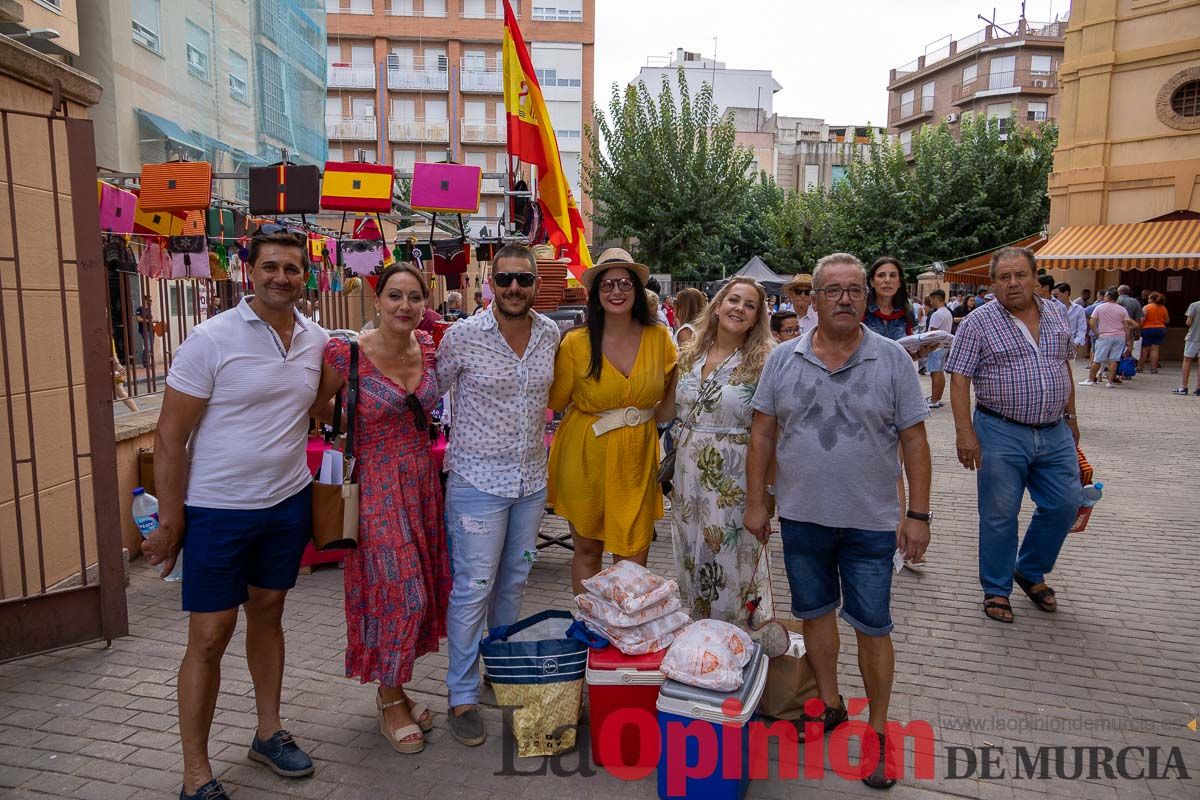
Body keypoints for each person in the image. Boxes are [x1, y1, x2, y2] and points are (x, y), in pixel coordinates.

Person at [144, 230, 327, 800]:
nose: (280, 277)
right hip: (217, 509)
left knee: (269, 613)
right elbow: (169, 437)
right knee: (209, 635)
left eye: (291, 268)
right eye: (270, 266)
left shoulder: (317, 340)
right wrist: (171, 520)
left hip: (287, 502)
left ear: (305, 276)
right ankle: (195, 773)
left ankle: (268, 733)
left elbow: (322, 407)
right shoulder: (210, 339)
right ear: (251, 271)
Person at [744, 253, 931, 791]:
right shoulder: (784, 359)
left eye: (854, 290)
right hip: (803, 518)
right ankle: (829, 702)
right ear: (815, 298)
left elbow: (915, 441)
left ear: (867, 298)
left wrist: (918, 515)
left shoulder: (892, 360)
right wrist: (757, 502)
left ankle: (878, 732)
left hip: (871, 522)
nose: (844, 299)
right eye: (833, 290)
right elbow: (762, 433)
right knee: (816, 614)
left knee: (873, 626)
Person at [310, 263, 451, 755]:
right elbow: (318, 406)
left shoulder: (427, 349)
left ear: (424, 303)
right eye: (395, 295)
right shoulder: (347, 353)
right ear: (377, 300)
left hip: (421, 482)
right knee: (401, 592)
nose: (404, 305)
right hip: (374, 483)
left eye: (414, 296)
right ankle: (390, 700)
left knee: (422, 590)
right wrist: (358, 426)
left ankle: (396, 687)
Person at [436, 245, 560, 747]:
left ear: (535, 285)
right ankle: (462, 695)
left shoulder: (550, 334)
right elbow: (429, 392)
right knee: (473, 588)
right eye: (505, 279)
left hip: (529, 483)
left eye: (523, 280)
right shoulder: (462, 336)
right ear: (491, 283)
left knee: (513, 584)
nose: (514, 288)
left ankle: (499, 671)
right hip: (476, 484)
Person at [945, 246, 1081, 625]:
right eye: (1004, 277)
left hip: (1054, 431)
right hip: (999, 430)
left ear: (1035, 277)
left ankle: (1029, 568)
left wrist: (1071, 416)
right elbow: (959, 379)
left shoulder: (1056, 313)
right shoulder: (978, 322)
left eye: (1020, 275)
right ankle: (996, 588)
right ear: (993, 283)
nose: (1013, 283)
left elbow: (1064, 366)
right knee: (999, 515)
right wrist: (965, 433)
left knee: (1066, 503)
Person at [548, 248, 676, 593]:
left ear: (636, 289)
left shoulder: (659, 339)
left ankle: (627, 623)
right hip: (585, 454)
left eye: (624, 283)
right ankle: (587, 622)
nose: (616, 291)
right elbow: (556, 400)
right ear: (596, 293)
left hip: (637, 458)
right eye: (607, 285)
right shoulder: (575, 343)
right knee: (588, 550)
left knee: (632, 560)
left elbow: (671, 401)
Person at [667, 277, 775, 627]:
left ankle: (734, 636)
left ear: (757, 318)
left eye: (749, 305)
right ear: (717, 306)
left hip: (734, 480)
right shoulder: (688, 355)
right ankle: (699, 637)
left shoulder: (763, 362)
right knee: (691, 555)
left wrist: (763, 498)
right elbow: (667, 411)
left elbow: (771, 433)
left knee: (729, 561)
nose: (739, 308)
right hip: (687, 477)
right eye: (733, 300)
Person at [1081, 289, 1136, 388]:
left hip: (1105, 336)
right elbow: (1126, 325)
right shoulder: (1122, 309)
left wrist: (1097, 333)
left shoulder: (1099, 307)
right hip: (1120, 336)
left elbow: (1092, 323)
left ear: (1108, 296)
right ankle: (1109, 382)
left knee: (1098, 359)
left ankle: (1090, 379)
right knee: (1114, 360)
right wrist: (1127, 339)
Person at [864, 257, 916, 340]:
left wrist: (922, 348)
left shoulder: (907, 310)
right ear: (872, 282)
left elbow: (912, 343)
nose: (887, 280)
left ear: (899, 283)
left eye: (893, 275)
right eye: (881, 275)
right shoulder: (861, 311)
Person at [925, 290, 953, 409]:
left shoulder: (937, 314)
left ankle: (934, 399)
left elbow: (932, 333)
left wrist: (926, 347)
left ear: (936, 299)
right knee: (940, 372)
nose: (931, 302)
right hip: (944, 345)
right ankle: (937, 397)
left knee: (935, 372)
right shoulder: (947, 312)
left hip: (936, 347)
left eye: (931, 300)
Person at [1051, 283, 1088, 359]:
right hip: (1053, 345)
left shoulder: (1079, 309)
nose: (1054, 298)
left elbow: (1082, 328)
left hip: (1070, 346)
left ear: (1066, 293)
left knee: (1070, 365)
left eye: (1056, 295)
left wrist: (1076, 343)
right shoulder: (1051, 308)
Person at [1173, 297, 1200, 395]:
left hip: (1193, 336)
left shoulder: (1194, 305)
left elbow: (1188, 322)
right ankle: (1198, 388)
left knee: (1187, 360)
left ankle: (1184, 387)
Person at [1137, 292, 1169, 373]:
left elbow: (1142, 319)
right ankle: (1153, 368)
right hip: (1161, 329)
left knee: (1145, 349)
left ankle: (1140, 367)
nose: (1148, 300)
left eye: (1149, 298)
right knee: (1155, 349)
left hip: (1148, 329)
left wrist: (1139, 328)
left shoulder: (1146, 307)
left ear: (1152, 299)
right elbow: (1167, 320)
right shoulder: (1163, 308)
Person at [781, 273, 819, 338]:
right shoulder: (781, 318)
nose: (803, 296)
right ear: (791, 294)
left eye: (807, 292)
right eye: (798, 292)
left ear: (812, 296)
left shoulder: (819, 318)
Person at [135, 296, 154, 367]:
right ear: (145, 301)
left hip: (151, 329)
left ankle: (147, 361)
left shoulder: (149, 309)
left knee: (150, 347)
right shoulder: (140, 309)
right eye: (150, 300)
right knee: (147, 346)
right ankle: (146, 363)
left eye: (151, 300)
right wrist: (149, 321)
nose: (151, 302)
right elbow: (138, 319)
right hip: (144, 330)